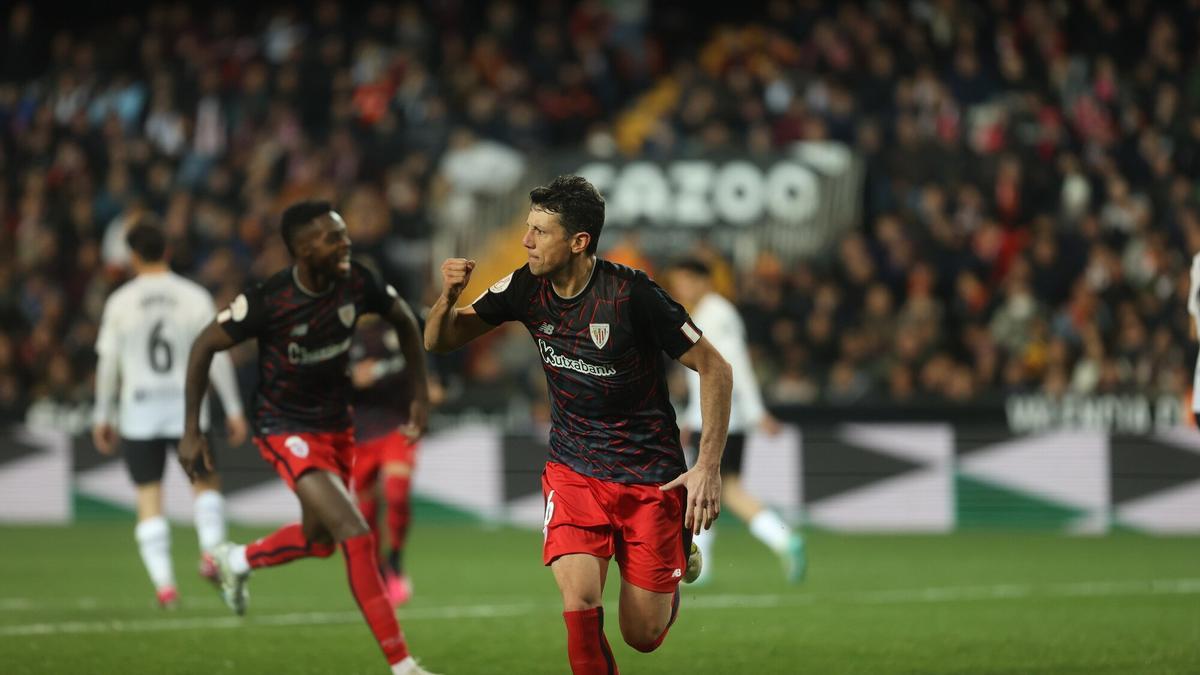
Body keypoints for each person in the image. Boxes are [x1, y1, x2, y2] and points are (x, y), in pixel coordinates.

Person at [425, 175, 733, 675]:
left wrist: (709, 467)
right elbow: (440, 340)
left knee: (642, 635)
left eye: (539, 232)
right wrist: (448, 296)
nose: (526, 241)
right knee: (580, 604)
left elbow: (716, 367)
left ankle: (670, 576)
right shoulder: (526, 286)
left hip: (648, 476)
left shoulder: (633, 295)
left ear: (578, 242)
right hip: (574, 471)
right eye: (528, 228)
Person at [178, 201, 437, 675]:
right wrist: (191, 429)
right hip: (284, 426)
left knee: (320, 540)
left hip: (337, 426)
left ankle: (236, 559)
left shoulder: (357, 281)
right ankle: (403, 665)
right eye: (332, 238)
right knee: (355, 530)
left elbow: (403, 318)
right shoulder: (269, 300)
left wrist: (419, 395)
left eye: (344, 234)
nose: (346, 243)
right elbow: (203, 346)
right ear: (302, 249)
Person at [92, 220, 248, 609]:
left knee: (149, 497)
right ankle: (212, 556)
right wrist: (233, 408)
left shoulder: (120, 301)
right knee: (205, 487)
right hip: (187, 411)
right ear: (166, 250)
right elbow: (216, 355)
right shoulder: (193, 296)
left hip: (139, 411)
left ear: (131, 256)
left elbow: (108, 364)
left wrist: (102, 415)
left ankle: (165, 587)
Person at [668, 258, 806, 585]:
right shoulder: (706, 313)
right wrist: (690, 416)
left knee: (701, 488)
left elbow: (733, 367)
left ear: (704, 281)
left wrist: (757, 412)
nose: (680, 288)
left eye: (686, 280)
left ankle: (700, 566)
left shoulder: (716, 314)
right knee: (726, 488)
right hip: (715, 415)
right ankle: (782, 539)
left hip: (721, 417)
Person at [349, 312, 424, 606]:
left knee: (396, 492)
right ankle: (379, 569)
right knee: (365, 511)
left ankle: (395, 558)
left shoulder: (394, 328)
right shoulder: (339, 334)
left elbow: (415, 360)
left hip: (395, 424)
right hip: (358, 432)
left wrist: (377, 372)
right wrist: (351, 378)